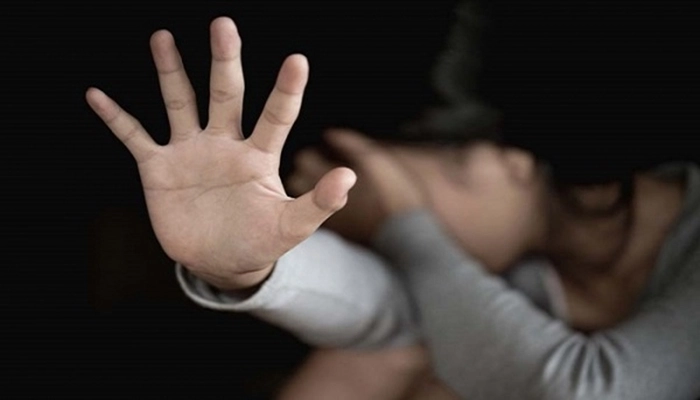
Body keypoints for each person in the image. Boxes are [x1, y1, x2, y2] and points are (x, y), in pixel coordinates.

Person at [85, 2, 700, 398]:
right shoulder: (513, 278)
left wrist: (405, 222)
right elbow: (383, 304)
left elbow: (587, 389)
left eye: (374, 201)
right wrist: (243, 265)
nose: (379, 228)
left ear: (502, 158)